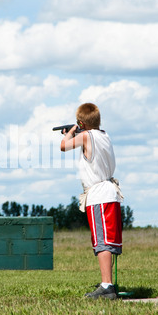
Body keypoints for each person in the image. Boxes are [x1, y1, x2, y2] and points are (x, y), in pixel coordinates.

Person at [60, 103, 123, 300]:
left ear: (81, 123)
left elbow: (63, 146)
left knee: (102, 242)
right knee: (106, 240)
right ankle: (107, 282)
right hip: (109, 193)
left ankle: (107, 286)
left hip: (98, 195)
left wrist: (69, 133)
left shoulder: (86, 136)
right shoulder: (105, 135)